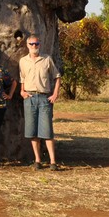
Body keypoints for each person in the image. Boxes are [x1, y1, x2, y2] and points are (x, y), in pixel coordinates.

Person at [19, 33, 61, 170]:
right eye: (31, 44)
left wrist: (55, 94)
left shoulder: (47, 59)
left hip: (44, 98)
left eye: (36, 44)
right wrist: (22, 91)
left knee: (47, 131)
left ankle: (53, 161)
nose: (34, 46)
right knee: (32, 131)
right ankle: (37, 160)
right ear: (27, 45)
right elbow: (22, 78)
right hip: (29, 98)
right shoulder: (23, 61)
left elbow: (57, 76)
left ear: (40, 44)